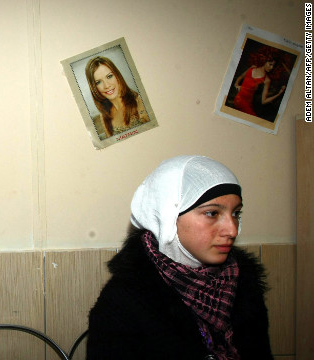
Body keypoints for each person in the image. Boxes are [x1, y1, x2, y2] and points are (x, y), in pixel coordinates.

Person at [86, 155, 272, 360]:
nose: (232, 229)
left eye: (236, 213)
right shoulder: (123, 301)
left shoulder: (242, 285)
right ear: (168, 216)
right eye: (212, 213)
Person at [85, 57, 150, 137]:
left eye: (109, 76)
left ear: (117, 75)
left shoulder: (140, 101)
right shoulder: (104, 116)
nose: (107, 85)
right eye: (98, 82)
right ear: (94, 87)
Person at [232, 48, 286, 117]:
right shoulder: (252, 68)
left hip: (249, 105)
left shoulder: (267, 80)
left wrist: (279, 94)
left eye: (273, 66)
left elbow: (264, 101)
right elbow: (240, 77)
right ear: (264, 60)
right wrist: (236, 84)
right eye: (270, 64)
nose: (272, 67)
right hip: (239, 100)